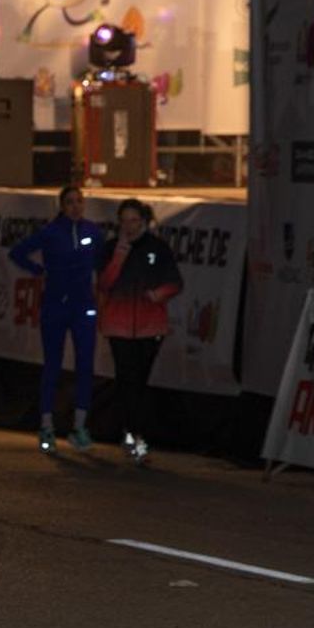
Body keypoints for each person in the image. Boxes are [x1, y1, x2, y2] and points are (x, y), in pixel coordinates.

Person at [10, 184, 104, 453]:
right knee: (52, 364)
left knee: (85, 364)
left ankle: (80, 427)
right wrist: (38, 270)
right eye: (71, 202)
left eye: (80, 202)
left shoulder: (92, 231)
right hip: (55, 306)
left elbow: (102, 260)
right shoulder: (51, 232)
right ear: (62, 206)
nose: (76, 206)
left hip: (83, 307)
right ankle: (47, 426)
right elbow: (17, 252)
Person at [97, 199, 182, 465]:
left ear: (144, 222)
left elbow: (175, 282)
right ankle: (132, 436)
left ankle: (136, 434)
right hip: (119, 327)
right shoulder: (111, 248)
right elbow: (104, 283)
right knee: (126, 380)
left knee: (139, 381)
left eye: (134, 221)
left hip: (149, 327)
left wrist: (158, 295)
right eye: (125, 221)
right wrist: (119, 256)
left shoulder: (157, 248)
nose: (129, 226)